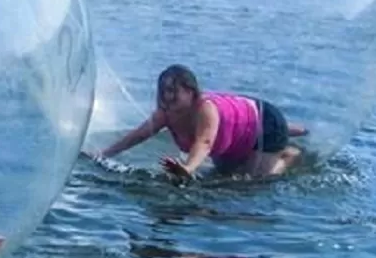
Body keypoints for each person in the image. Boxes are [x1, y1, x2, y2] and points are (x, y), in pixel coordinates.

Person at [91, 64, 307, 182]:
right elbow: (137, 136)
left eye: (174, 91)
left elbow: (204, 142)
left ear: (191, 91)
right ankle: (288, 131)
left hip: (266, 124)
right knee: (223, 175)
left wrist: (188, 168)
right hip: (242, 129)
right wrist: (104, 154)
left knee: (251, 182)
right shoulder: (166, 113)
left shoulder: (205, 109)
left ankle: (287, 155)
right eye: (164, 90)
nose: (167, 96)